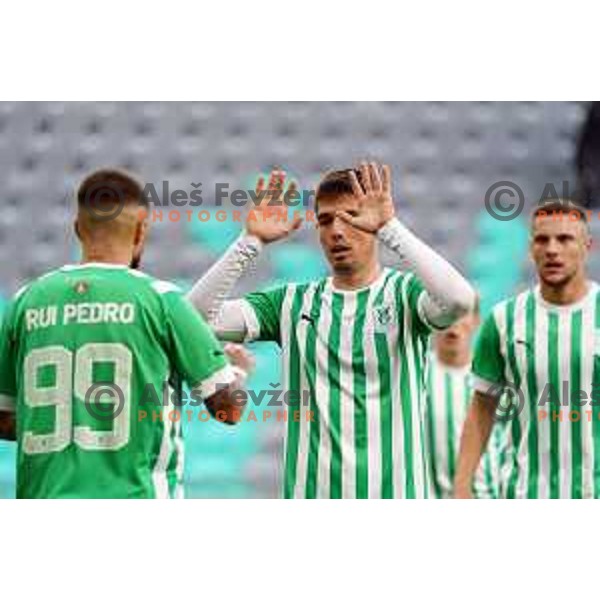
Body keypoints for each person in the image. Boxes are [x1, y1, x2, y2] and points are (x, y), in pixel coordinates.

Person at [188, 162, 476, 498]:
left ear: (373, 224)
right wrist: (249, 241)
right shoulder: (291, 303)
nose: (336, 231)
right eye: (325, 220)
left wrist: (391, 228)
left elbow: (459, 300)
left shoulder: (404, 296)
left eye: (351, 217)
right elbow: (194, 318)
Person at [0, 168, 248, 499]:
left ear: (77, 229)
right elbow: (228, 410)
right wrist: (237, 371)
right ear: (140, 232)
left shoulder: (23, 303)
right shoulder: (161, 300)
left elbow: (4, 420)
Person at [455, 199, 600, 499]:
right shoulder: (503, 320)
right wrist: (461, 488)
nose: (552, 249)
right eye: (542, 239)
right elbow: (481, 409)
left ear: (587, 245)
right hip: (525, 495)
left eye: (564, 239)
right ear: (530, 248)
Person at [425, 307, 506, 499]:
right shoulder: (415, 373)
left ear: (476, 320)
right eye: (445, 315)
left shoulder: (494, 377)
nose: (453, 325)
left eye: (461, 315)